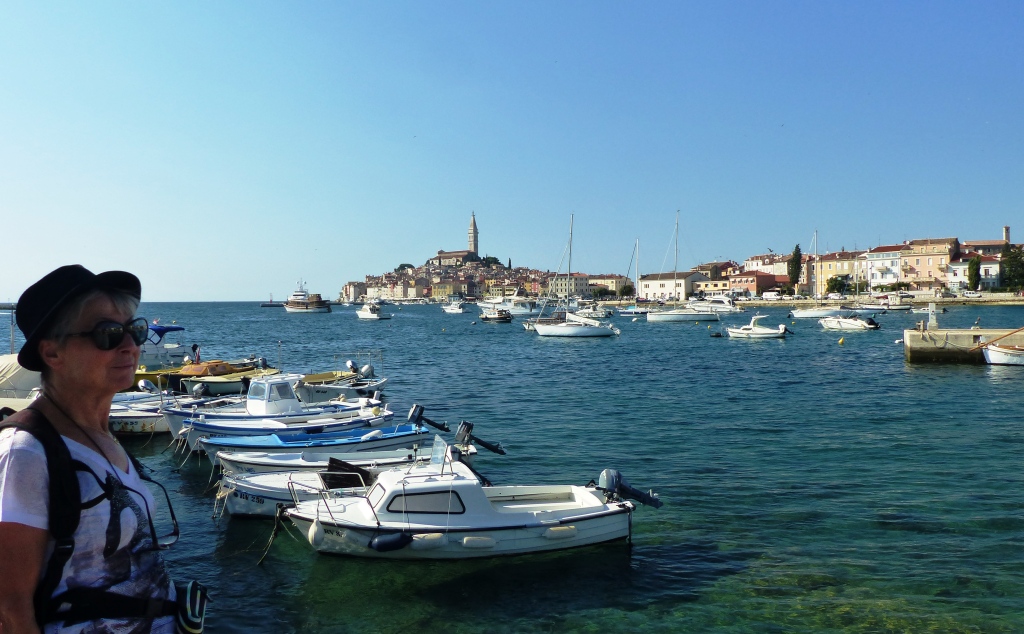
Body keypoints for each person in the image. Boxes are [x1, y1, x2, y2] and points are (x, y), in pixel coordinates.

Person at [0, 265, 188, 633]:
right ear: (52, 353)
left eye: (135, 329)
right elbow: (9, 606)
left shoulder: (101, 435)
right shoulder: (25, 452)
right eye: (108, 334)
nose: (131, 345)